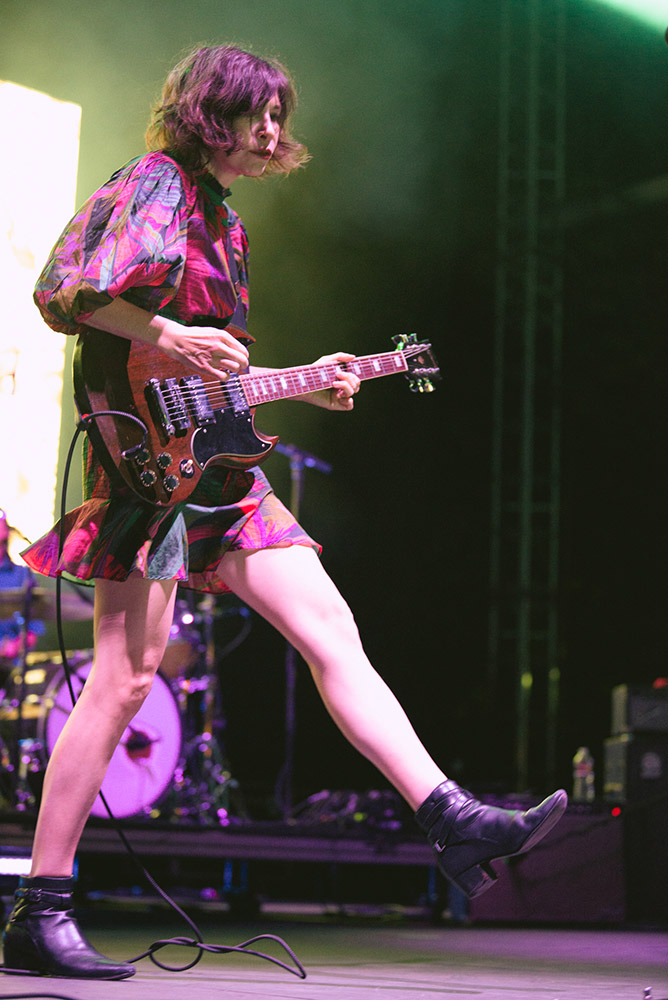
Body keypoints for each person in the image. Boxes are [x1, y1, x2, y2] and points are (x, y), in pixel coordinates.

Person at [1, 45, 567, 980]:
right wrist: (165, 329)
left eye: (280, 114)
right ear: (211, 111)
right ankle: (39, 906)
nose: (275, 132)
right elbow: (63, 292)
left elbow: (213, 381)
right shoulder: (156, 185)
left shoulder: (222, 217)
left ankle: (452, 819)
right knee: (124, 679)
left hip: (221, 477)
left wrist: (306, 385)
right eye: (260, 113)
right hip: (151, 473)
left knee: (332, 628)